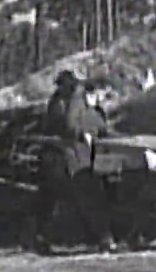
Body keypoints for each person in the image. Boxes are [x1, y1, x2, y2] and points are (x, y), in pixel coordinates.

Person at [27, 71, 119, 254]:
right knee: (91, 196)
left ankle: (41, 238)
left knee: (51, 199)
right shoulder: (77, 99)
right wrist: (87, 132)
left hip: (61, 157)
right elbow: (71, 124)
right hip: (74, 158)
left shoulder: (61, 100)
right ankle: (104, 238)